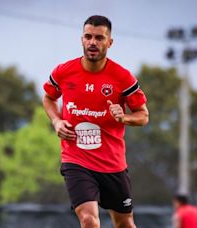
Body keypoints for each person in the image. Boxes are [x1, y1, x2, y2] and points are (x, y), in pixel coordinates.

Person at [42, 15, 149, 228]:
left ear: (109, 42)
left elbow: (143, 115)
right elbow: (48, 97)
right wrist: (56, 121)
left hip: (112, 164)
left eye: (99, 38)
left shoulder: (123, 78)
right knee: (89, 219)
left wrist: (124, 117)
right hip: (76, 160)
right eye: (88, 37)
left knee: (124, 223)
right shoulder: (64, 71)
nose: (93, 42)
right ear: (82, 39)